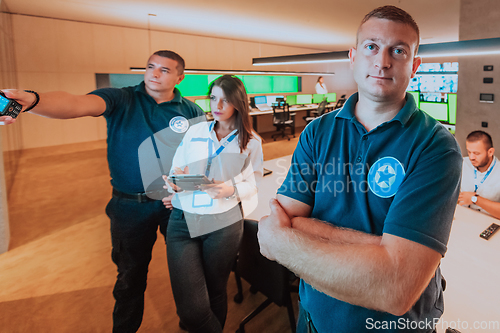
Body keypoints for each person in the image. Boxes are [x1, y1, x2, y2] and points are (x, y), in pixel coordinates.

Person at [257, 6, 462, 333]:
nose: (382, 61)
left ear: (416, 66)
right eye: (371, 46)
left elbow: (394, 288)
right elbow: (280, 224)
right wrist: (381, 248)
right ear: (353, 56)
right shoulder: (317, 132)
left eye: (398, 50)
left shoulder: (435, 146)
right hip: (313, 318)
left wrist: (289, 239)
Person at [0, 50, 205, 333]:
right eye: (150, 67)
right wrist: (35, 100)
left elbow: (202, 158)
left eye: (164, 70)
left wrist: (185, 191)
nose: (154, 74)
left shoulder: (192, 111)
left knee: (189, 273)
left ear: (180, 77)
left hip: (175, 206)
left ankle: (193, 323)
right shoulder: (122, 99)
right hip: (129, 208)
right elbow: (76, 103)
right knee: (130, 279)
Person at [162, 75, 263, 332]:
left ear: (238, 103)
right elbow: (175, 168)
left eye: (225, 100)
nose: (217, 105)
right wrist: (174, 181)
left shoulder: (251, 141)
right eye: (213, 98)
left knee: (216, 290)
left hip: (223, 222)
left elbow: (254, 184)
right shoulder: (195, 131)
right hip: (182, 221)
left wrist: (231, 189)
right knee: (191, 309)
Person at [459, 130, 500, 219]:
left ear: (490, 152)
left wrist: (475, 199)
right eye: (469, 152)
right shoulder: (462, 163)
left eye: (476, 153)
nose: (471, 157)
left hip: (487, 221)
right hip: (461, 217)